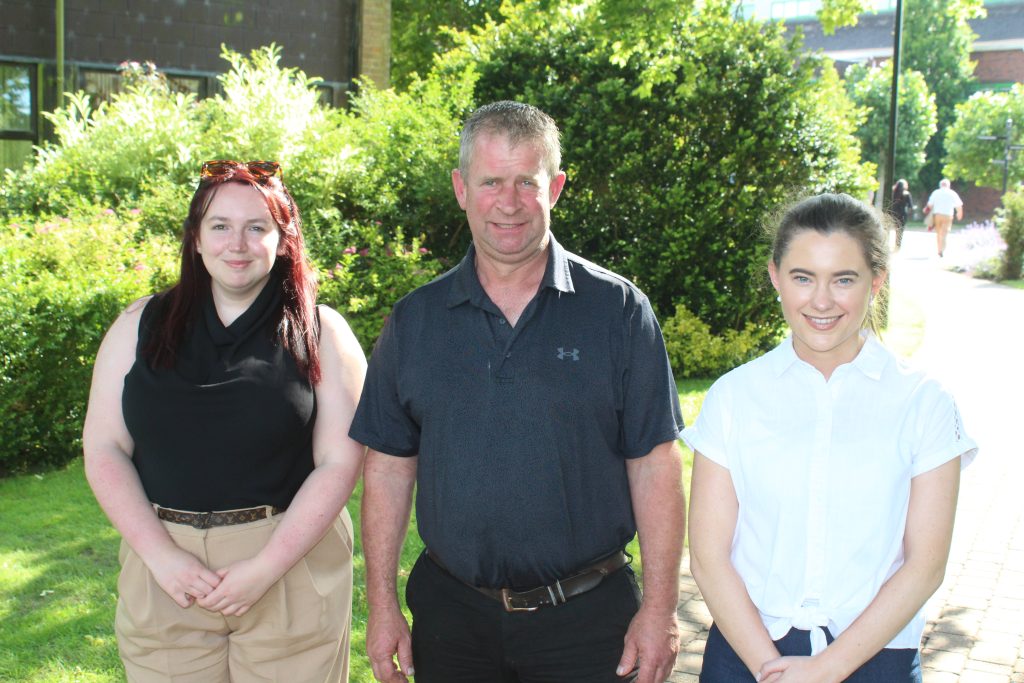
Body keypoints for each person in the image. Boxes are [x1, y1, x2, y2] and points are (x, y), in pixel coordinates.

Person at [351, 101, 686, 683]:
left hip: (589, 621)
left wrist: (660, 611)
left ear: (554, 188)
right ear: (461, 188)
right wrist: (382, 607)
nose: (508, 203)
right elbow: (386, 469)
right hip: (452, 623)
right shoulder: (415, 322)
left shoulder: (619, 312)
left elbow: (655, 466)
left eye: (526, 183)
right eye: (490, 182)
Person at [83, 160, 367, 682]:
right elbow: (103, 449)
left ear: (283, 240)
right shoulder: (135, 327)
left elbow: (340, 463)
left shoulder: (322, 332)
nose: (237, 243)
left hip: (288, 563)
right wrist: (161, 557)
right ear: (195, 238)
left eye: (256, 227)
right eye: (220, 226)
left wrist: (266, 567)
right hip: (164, 569)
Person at [684, 193, 977, 683]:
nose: (821, 301)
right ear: (776, 275)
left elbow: (925, 565)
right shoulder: (733, 396)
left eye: (844, 279)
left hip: (874, 657)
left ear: (876, 282)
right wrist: (768, 668)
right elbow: (709, 558)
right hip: (746, 653)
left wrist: (826, 670)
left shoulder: (924, 401)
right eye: (803, 277)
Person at [924, 179, 963, 257]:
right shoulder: (952, 193)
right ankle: (942, 249)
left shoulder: (936, 192)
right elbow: (958, 205)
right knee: (944, 233)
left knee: (938, 233)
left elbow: (930, 204)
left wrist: (926, 209)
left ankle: (939, 249)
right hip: (948, 215)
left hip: (937, 215)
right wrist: (959, 213)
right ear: (948, 185)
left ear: (940, 185)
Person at [889, 178, 914, 250]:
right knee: (900, 230)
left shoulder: (892, 193)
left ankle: (894, 244)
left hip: (893, 212)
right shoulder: (907, 194)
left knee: (895, 228)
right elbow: (910, 206)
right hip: (903, 213)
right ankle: (898, 245)